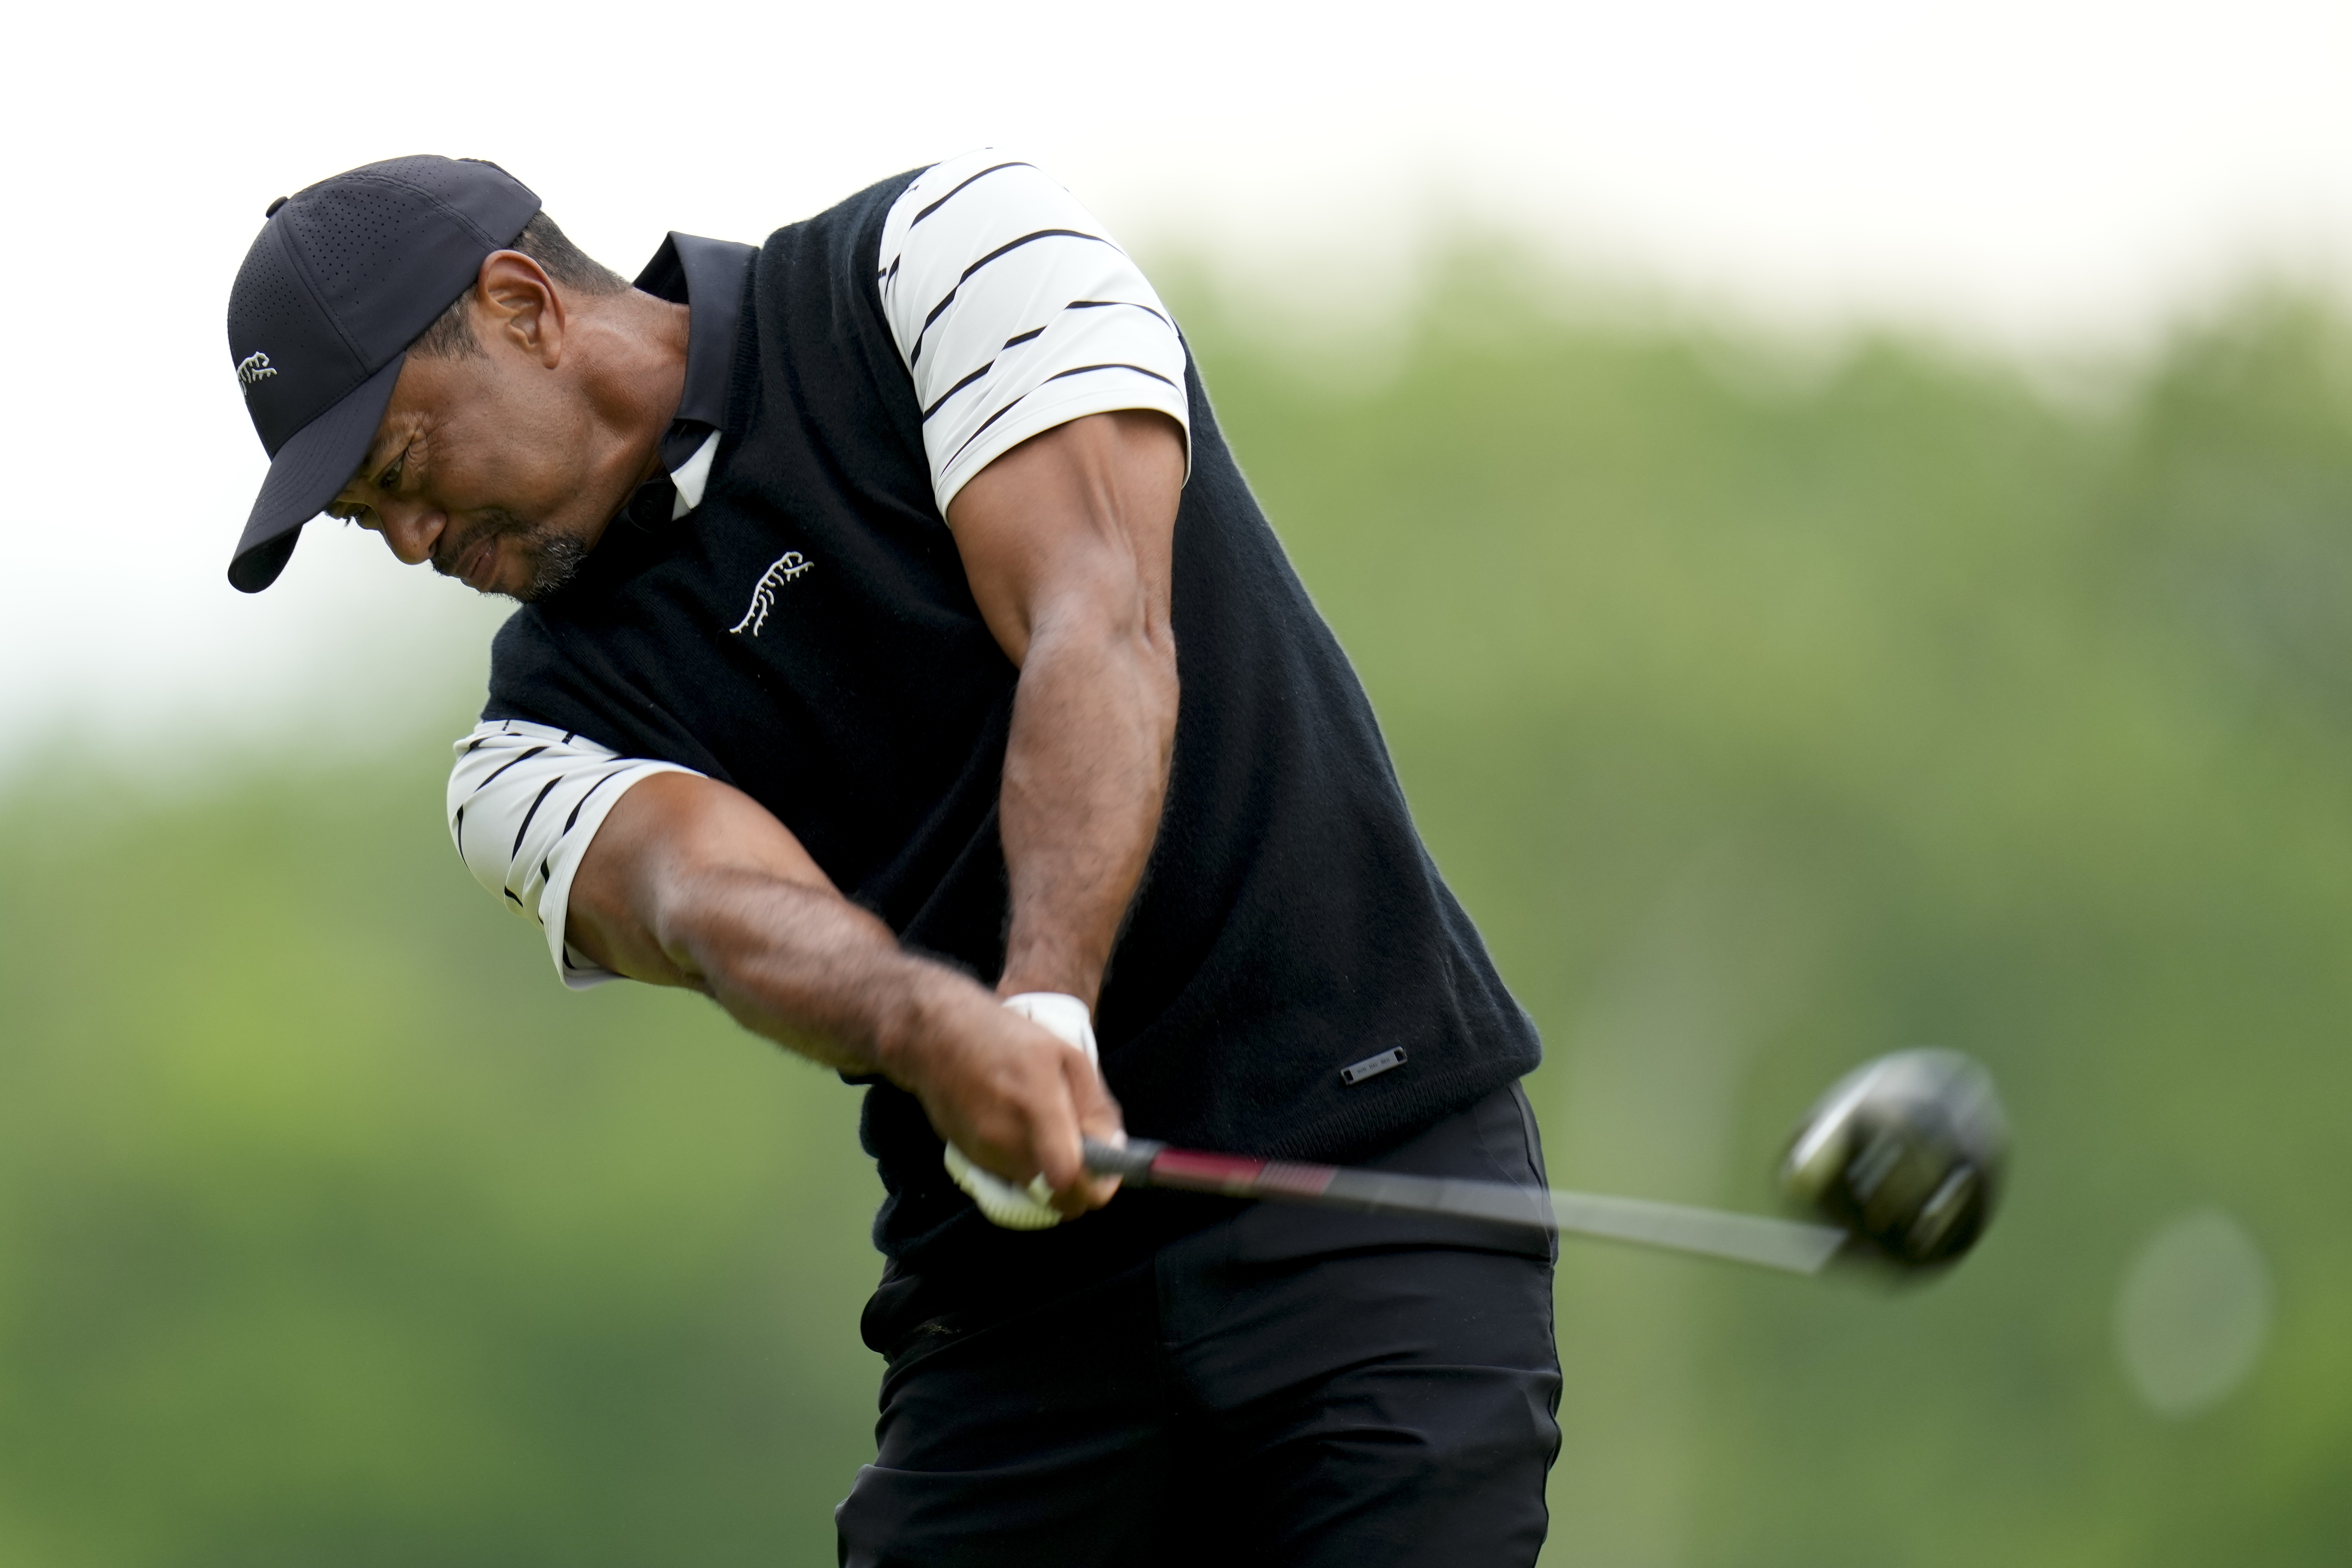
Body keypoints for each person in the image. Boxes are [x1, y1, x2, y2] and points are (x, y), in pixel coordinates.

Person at [223, 151, 1560, 1565]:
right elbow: (709, 906)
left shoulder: (942, 261)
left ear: (522, 306)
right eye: (372, 522)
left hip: (1369, 1180)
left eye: (404, 469)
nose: (415, 540)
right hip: (1012, 1321)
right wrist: (940, 1032)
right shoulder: (523, 750)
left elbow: (1094, 618)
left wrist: (1042, 1007)